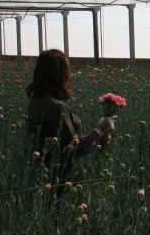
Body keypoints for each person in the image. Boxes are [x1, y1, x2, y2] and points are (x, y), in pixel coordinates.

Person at [26, 49, 115, 185]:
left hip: (42, 177)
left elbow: (62, 144)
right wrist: (101, 128)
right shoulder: (57, 107)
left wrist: (97, 140)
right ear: (60, 74)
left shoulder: (35, 101)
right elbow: (73, 149)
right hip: (64, 182)